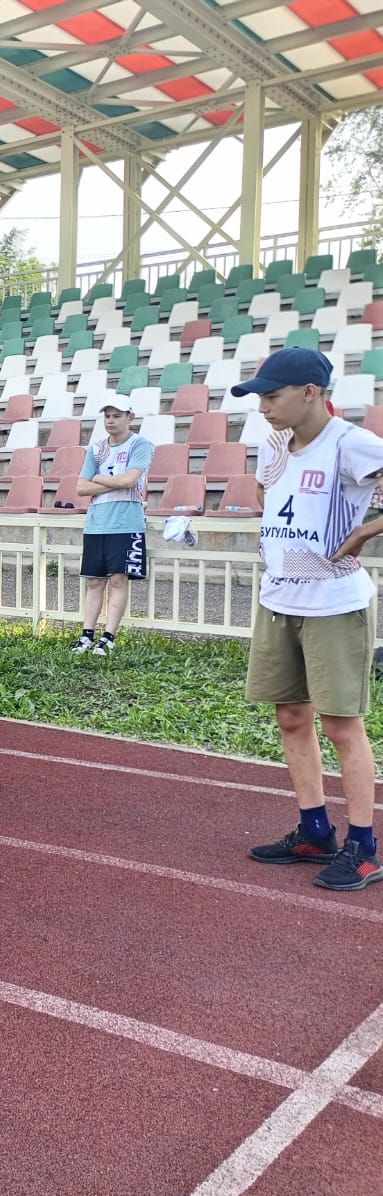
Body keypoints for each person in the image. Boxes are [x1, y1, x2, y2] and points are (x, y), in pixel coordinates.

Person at [235, 348, 383, 891]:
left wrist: (366, 530)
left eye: (272, 396)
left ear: (310, 393)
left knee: (342, 725)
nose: (264, 407)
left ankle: (363, 848)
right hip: (280, 599)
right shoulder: (274, 443)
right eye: (260, 398)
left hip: (334, 605)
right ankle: (313, 830)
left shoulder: (350, 442)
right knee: (291, 718)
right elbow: (269, 492)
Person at [73, 397, 155, 655]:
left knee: (119, 580)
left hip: (126, 522)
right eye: (107, 415)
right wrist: (110, 480)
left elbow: (129, 481)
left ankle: (108, 637)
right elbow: (80, 487)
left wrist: (97, 477)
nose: (110, 420)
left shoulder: (140, 444)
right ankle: (87, 635)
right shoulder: (96, 449)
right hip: (97, 523)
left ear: (130, 417)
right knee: (94, 582)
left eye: (116, 415)